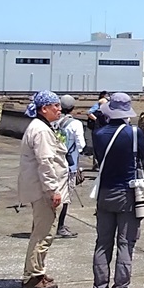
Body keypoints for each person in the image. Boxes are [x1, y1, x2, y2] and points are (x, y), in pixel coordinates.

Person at [91, 92, 144, 288]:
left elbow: (99, 158)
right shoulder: (133, 133)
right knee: (125, 242)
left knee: (102, 242)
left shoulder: (98, 134)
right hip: (127, 192)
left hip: (104, 191)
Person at [18, 90, 70, 288]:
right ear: (44, 108)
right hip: (43, 191)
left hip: (39, 188)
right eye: (55, 106)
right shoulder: (41, 130)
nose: (59, 109)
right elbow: (46, 163)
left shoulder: (41, 126)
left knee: (42, 231)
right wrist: (53, 191)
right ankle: (32, 276)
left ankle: (37, 271)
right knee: (43, 233)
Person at [55, 95, 85, 239]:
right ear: (73, 108)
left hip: (55, 162)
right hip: (69, 163)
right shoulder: (75, 124)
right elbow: (81, 145)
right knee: (66, 196)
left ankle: (52, 224)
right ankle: (60, 226)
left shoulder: (54, 121)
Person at [86, 91, 110, 170]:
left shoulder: (107, 106)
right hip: (98, 128)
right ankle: (97, 164)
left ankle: (100, 164)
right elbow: (89, 112)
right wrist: (96, 119)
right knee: (97, 146)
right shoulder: (98, 105)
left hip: (102, 128)